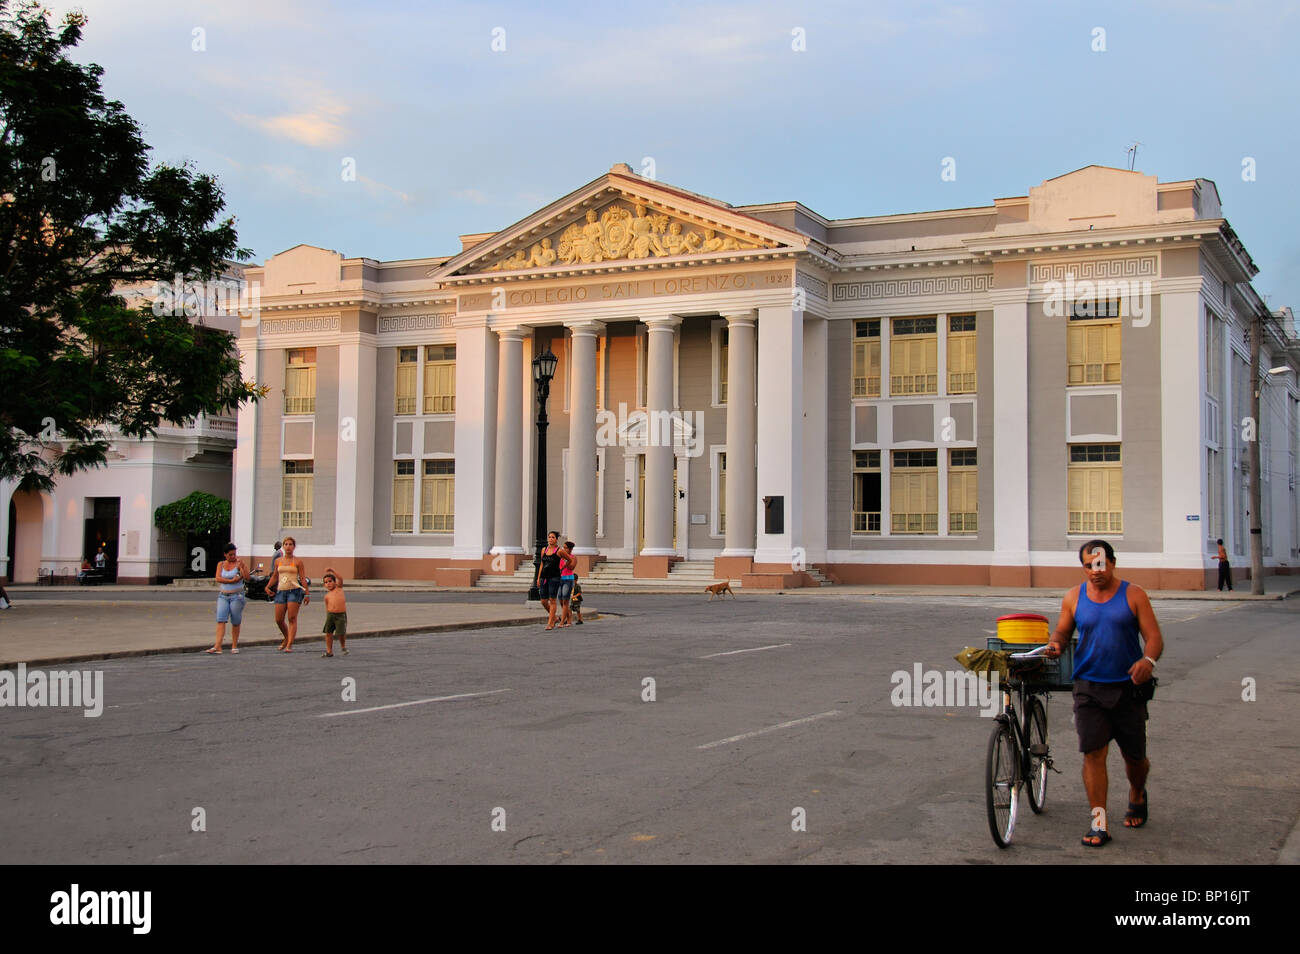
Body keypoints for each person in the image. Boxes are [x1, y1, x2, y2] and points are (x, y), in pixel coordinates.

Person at [1045, 539, 1164, 848]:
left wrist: (1147, 661)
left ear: (1112, 562)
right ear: (1083, 567)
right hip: (1088, 687)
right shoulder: (1073, 597)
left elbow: (1154, 638)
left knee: (1134, 758)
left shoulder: (1134, 595)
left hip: (1128, 688)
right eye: (1088, 565)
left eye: (1100, 564)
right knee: (1093, 754)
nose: (1095, 571)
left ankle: (1137, 792)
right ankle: (1099, 822)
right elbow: (1062, 631)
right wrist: (1056, 643)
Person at [266, 536, 309, 652]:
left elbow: (303, 578)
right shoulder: (278, 561)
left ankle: (289, 644)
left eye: (290, 544)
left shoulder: (298, 561)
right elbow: (275, 576)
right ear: (283, 546)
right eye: (286, 544)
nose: (288, 547)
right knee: (279, 619)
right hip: (281, 591)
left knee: (292, 618)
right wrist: (268, 586)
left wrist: (307, 593)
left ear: (294, 547)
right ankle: (286, 637)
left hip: (294, 591)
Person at [207, 543, 249, 654]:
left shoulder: (239, 563)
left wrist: (242, 567)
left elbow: (247, 578)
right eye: (230, 555)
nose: (233, 557)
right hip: (223, 595)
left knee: (235, 620)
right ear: (225, 555)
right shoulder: (221, 564)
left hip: (237, 595)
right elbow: (218, 578)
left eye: (234, 554)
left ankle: (234, 645)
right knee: (221, 619)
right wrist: (231, 581)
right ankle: (218, 645)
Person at [533, 531, 571, 631]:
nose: (550, 539)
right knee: (543, 601)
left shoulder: (559, 551)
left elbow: (569, 560)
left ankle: (550, 623)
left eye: (553, 537)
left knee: (552, 600)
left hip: (554, 578)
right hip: (543, 578)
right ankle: (554, 617)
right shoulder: (544, 550)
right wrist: (538, 577)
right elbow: (541, 564)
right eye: (549, 537)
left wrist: (562, 568)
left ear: (556, 539)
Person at [320, 568, 348, 658]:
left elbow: (340, 578)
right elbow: (327, 607)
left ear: (335, 582)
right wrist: (327, 616)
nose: (328, 583)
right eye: (326, 582)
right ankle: (329, 651)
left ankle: (343, 646)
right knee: (328, 633)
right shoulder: (327, 596)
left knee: (341, 633)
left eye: (330, 581)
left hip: (340, 615)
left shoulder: (339, 589)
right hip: (330, 615)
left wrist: (332, 571)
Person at [557, 540, 579, 627]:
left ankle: (562, 621)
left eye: (565, 548)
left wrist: (567, 560)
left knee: (565, 600)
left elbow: (571, 567)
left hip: (568, 579)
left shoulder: (573, 557)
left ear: (570, 549)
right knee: (561, 601)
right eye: (563, 547)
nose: (564, 549)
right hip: (559, 579)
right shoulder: (560, 557)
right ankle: (569, 617)